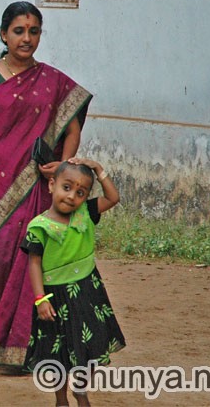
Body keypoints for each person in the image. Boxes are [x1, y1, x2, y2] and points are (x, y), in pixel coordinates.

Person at [0, 1, 92, 367]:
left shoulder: (53, 80)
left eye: (33, 31)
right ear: (4, 34)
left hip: (35, 184)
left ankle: (19, 344)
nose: (26, 38)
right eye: (18, 31)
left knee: (30, 261)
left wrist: (62, 165)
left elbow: (72, 126)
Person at [23, 159, 125, 406]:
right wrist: (40, 300)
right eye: (66, 187)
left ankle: (80, 390)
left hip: (88, 293)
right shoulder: (39, 227)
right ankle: (61, 399)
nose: (71, 197)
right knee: (58, 350)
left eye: (81, 193)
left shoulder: (86, 213)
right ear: (51, 185)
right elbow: (34, 264)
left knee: (91, 344)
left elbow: (113, 198)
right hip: (55, 298)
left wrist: (99, 169)